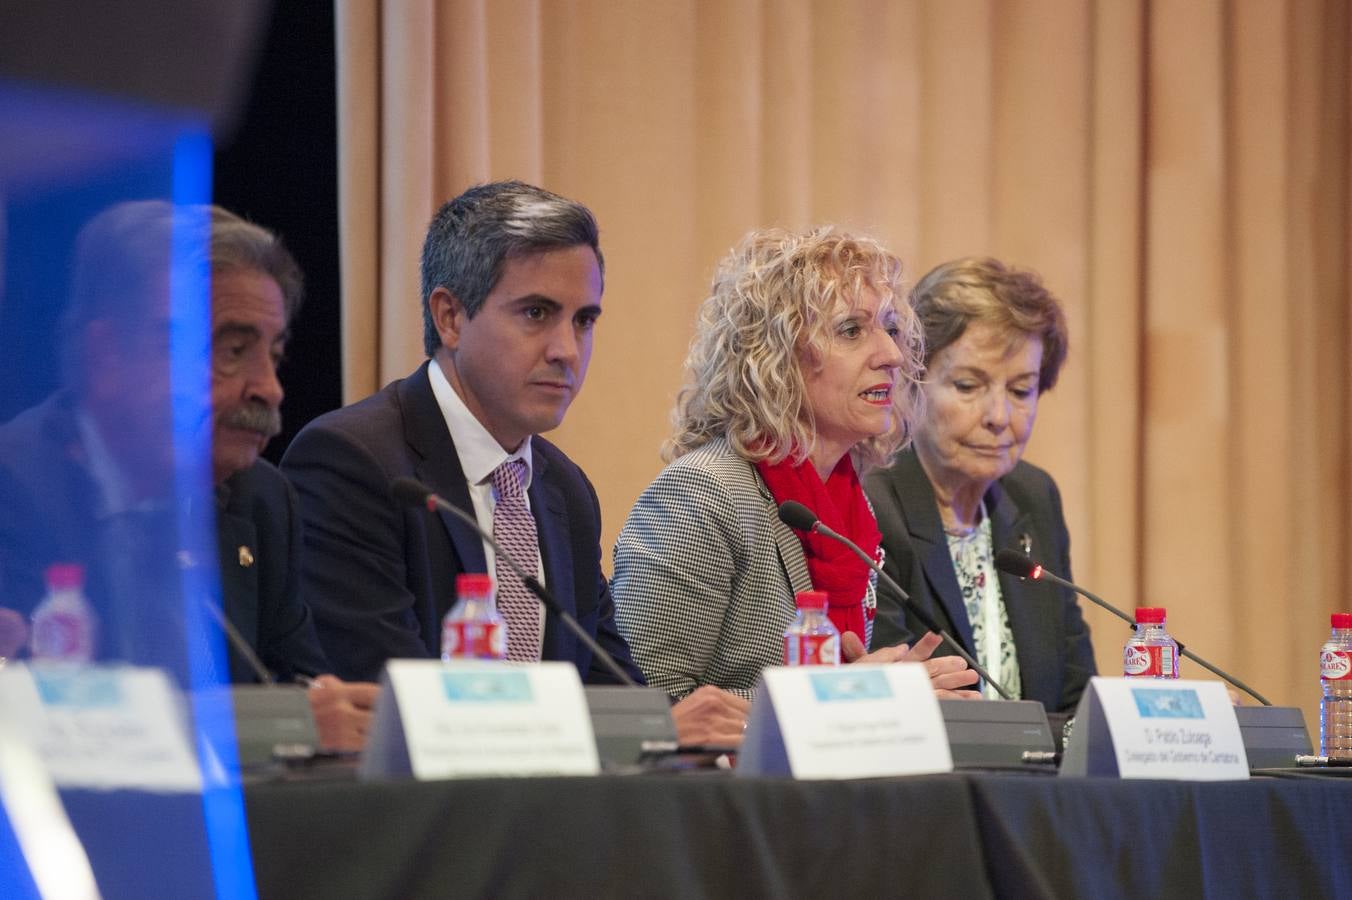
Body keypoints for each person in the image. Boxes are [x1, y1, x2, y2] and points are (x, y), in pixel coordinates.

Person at [281, 180, 748, 745]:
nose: (567, 351)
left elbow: (612, 688)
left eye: (583, 320)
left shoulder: (564, 488)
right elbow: (393, 705)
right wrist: (616, 736)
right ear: (450, 317)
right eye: (536, 313)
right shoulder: (352, 462)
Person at [0, 202, 376, 750]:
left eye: (273, 354)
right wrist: (282, 726)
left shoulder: (261, 500)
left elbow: (297, 680)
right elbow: (39, 724)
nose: (269, 389)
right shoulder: (14, 488)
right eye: (231, 349)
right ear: (107, 355)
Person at [611, 227, 980, 701]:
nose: (890, 355)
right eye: (851, 330)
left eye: (890, 328)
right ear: (775, 357)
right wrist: (856, 695)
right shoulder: (701, 495)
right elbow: (647, 703)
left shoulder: (849, 505)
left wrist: (882, 697)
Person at [862, 257, 1095, 713]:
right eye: (969, 386)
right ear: (912, 383)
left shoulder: (1034, 497)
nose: (998, 417)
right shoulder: (872, 500)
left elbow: (1075, 696)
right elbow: (889, 690)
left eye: (1021, 390)